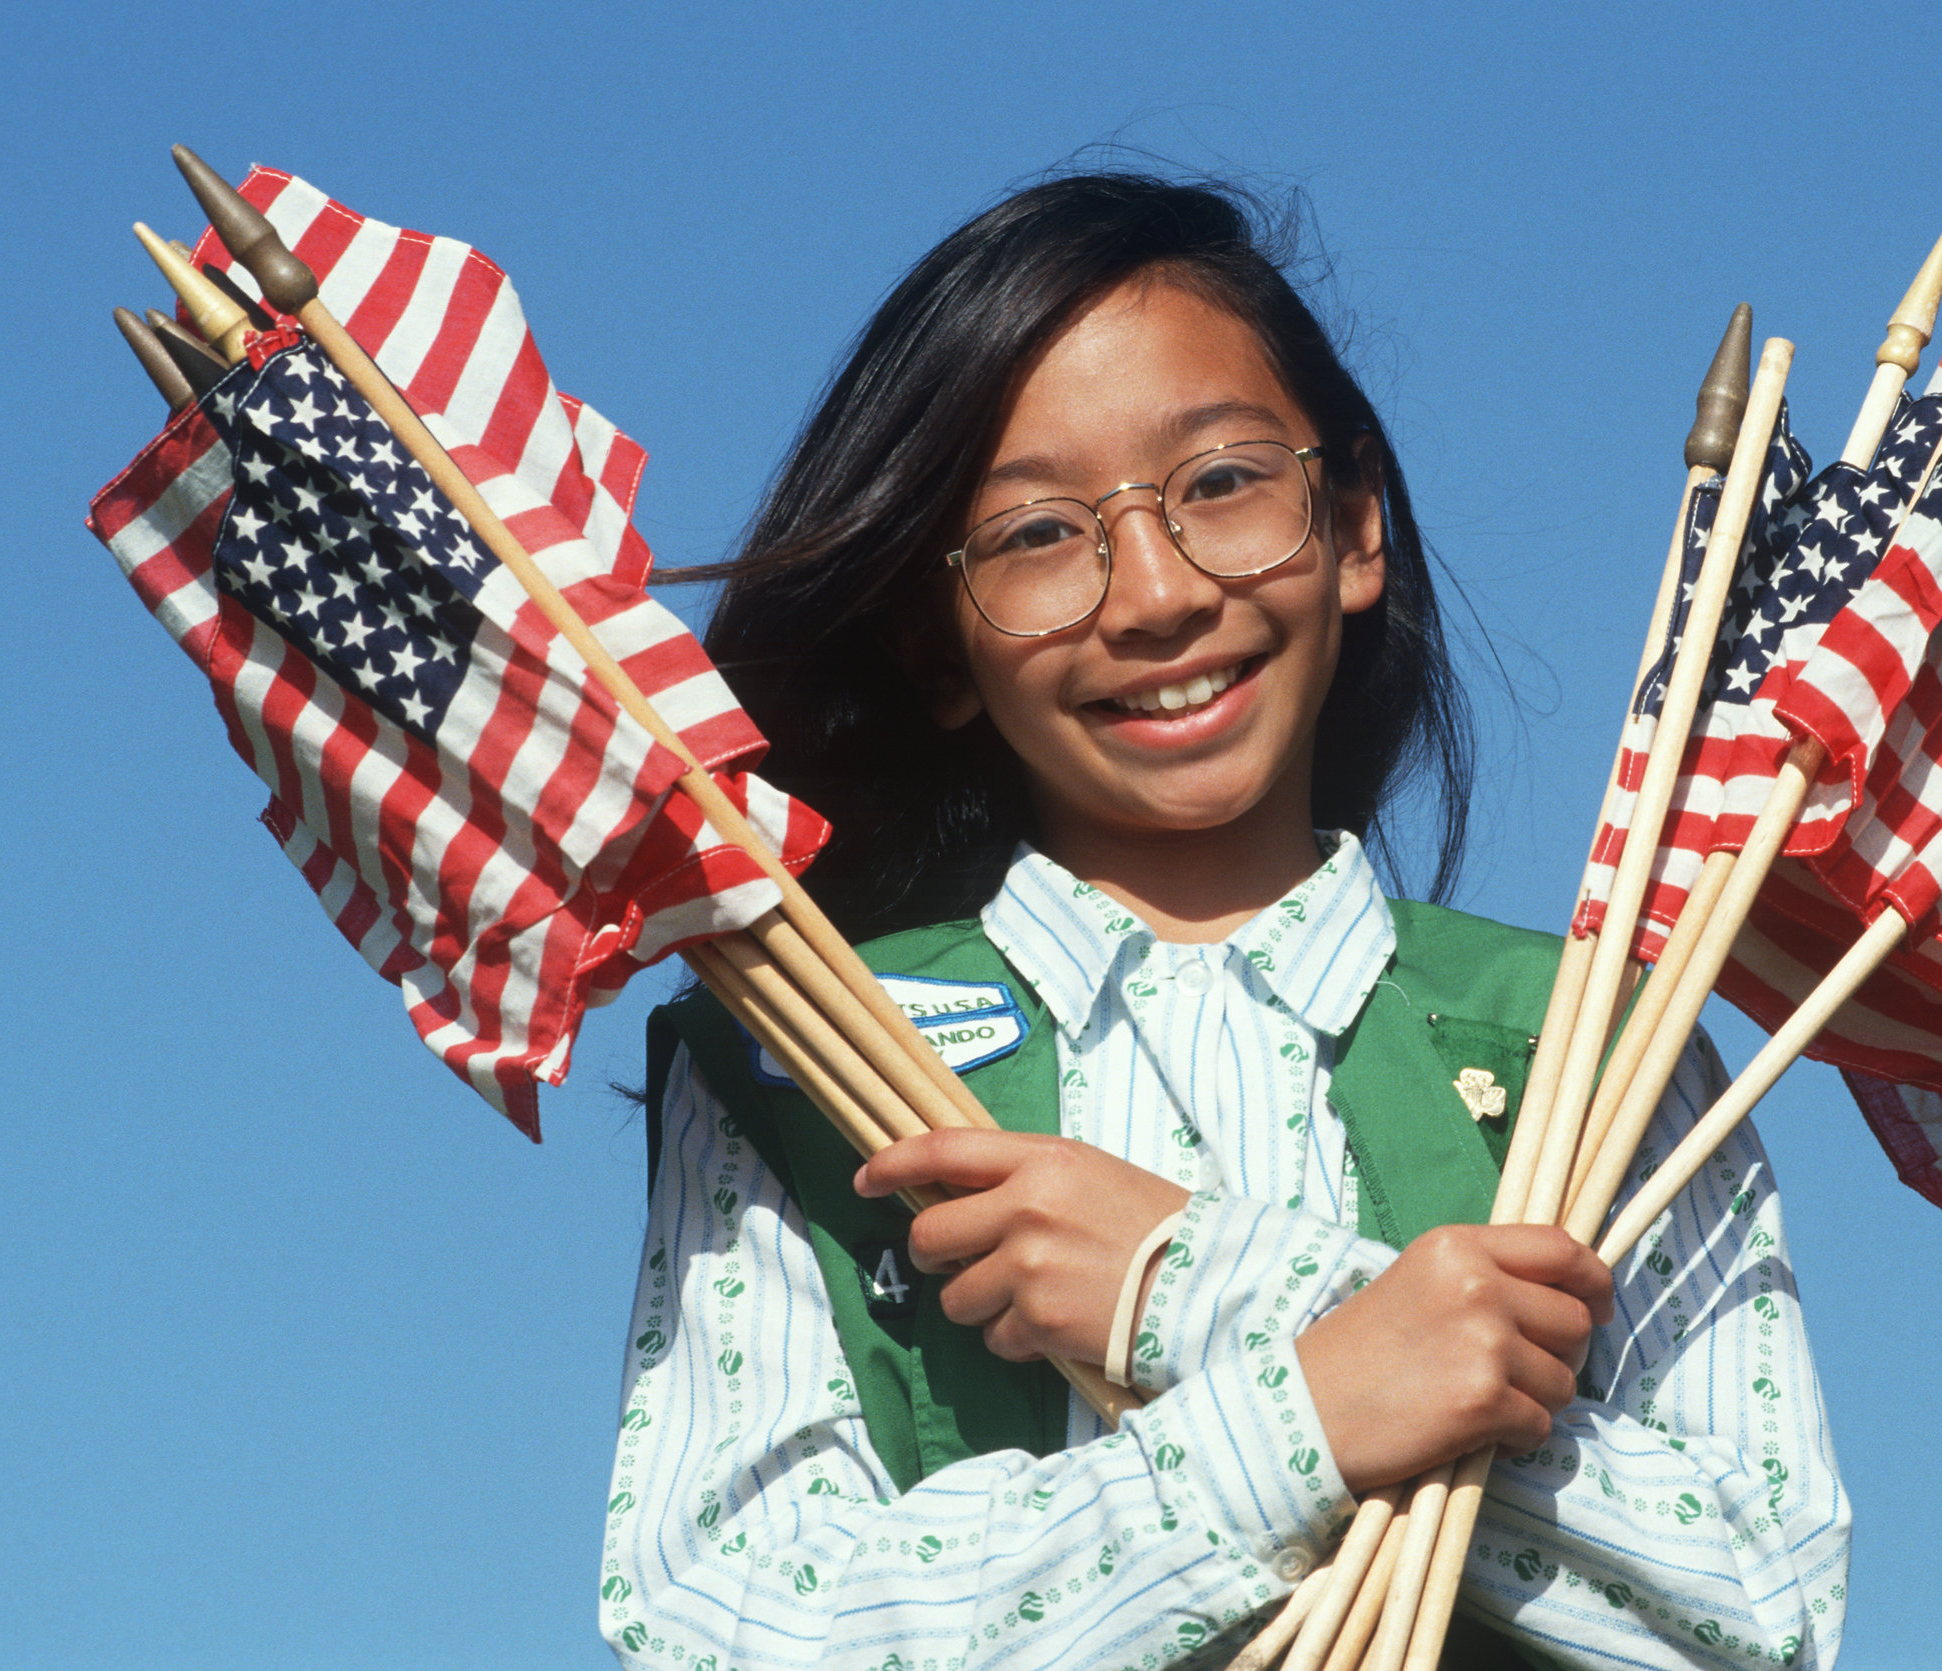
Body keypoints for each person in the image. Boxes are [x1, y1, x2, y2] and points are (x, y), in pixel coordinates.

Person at [600, 174, 1849, 1670]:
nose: (1155, 595)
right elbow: (720, 1628)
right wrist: (1304, 1416)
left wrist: (1194, 1282)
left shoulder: (1597, 1043)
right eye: (1039, 534)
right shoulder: (797, 1062)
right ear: (943, 646)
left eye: (1220, 484)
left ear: (1355, 527)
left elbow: (1763, 1609)